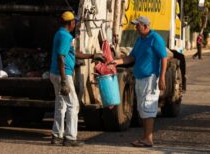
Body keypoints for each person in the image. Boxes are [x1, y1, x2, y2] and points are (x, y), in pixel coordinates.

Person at [111, 16, 167, 148]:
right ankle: (145, 137)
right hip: (140, 78)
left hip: (151, 78)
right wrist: (117, 62)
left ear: (146, 26)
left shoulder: (155, 38)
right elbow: (132, 57)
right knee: (142, 107)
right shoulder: (140, 40)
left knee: (148, 107)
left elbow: (164, 58)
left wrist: (162, 77)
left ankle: (148, 139)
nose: (136, 28)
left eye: (138, 25)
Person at [50, 11, 104, 147]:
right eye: (75, 21)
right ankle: (70, 138)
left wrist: (92, 56)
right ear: (70, 23)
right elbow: (61, 57)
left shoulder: (60, 33)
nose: (76, 23)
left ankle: (57, 136)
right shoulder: (65, 37)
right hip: (63, 75)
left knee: (61, 105)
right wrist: (64, 80)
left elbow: (73, 53)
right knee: (73, 105)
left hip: (55, 73)